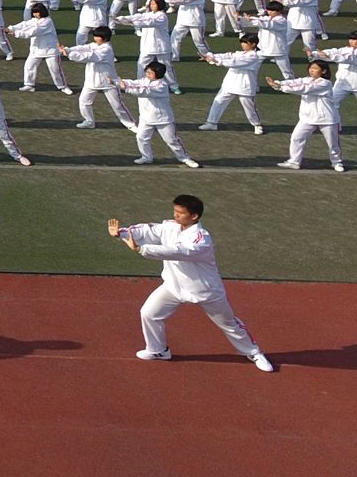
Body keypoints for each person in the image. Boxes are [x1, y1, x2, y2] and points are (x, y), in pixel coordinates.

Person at [108, 195, 273, 372]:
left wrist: (142, 249)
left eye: (181, 212)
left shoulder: (201, 239)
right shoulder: (170, 227)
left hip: (206, 291)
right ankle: (158, 350)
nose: (176, 215)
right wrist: (121, 233)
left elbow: (178, 252)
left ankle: (254, 352)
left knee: (229, 324)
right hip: (173, 286)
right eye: (175, 211)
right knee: (149, 313)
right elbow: (148, 230)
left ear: (194, 216)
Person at [265, 59, 344, 172]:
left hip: (327, 119)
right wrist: (278, 83)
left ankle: (337, 162)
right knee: (297, 138)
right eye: (311, 68)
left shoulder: (325, 83)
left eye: (315, 68)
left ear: (323, 71)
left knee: (333, 143)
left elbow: (305, 88)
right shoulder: (307, 79)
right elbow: (295, 82)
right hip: (307, 118)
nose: (311, 70)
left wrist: (281, 87)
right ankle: (294, 161)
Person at [117, 61, 199, 168]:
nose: (147, 74)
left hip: (163, 119)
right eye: (147, 71)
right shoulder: (144, 80)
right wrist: (118, 81)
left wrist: (126, 88)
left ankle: (185, 158)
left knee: (172, 140)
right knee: (141, 138)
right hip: (146, 118)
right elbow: (134, 83)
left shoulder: (161, 85)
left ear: (158, 75)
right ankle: (146, 157)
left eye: (150, 73)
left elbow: (144, 91)